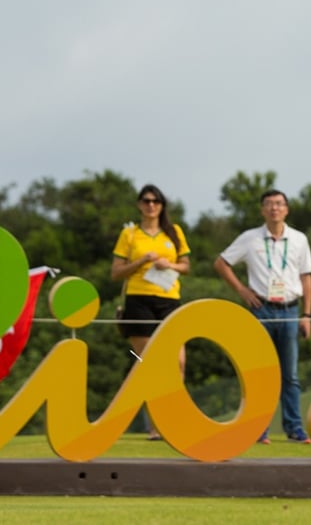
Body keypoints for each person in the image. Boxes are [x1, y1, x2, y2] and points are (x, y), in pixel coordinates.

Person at [214, 189, 311, 444]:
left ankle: (294, 428)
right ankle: (258, 428)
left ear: (287, 209)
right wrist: (242, 290)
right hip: (261, 308)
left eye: (279, 204)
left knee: (290, 374)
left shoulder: (299, 239)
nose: (274, 208)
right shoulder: (250, 238)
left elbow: (306, 277)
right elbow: (221, 263)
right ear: (262, 210)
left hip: (290, 309)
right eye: (269, 204)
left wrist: (307, 314)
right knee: (260, 372)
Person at [111, 184, 191, 440]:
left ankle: (173, 418)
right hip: (139, 300)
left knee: (178, 361)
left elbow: (186, 266)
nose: (151, 205)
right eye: (146, 201)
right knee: (149, 362)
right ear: (139, 204)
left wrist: (170, 265)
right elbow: (115, 273)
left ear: (162, 205)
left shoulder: (174, 231)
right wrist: (141, 261)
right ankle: (155, 425)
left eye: (156, 201)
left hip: (169, 299)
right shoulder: (130, 234)